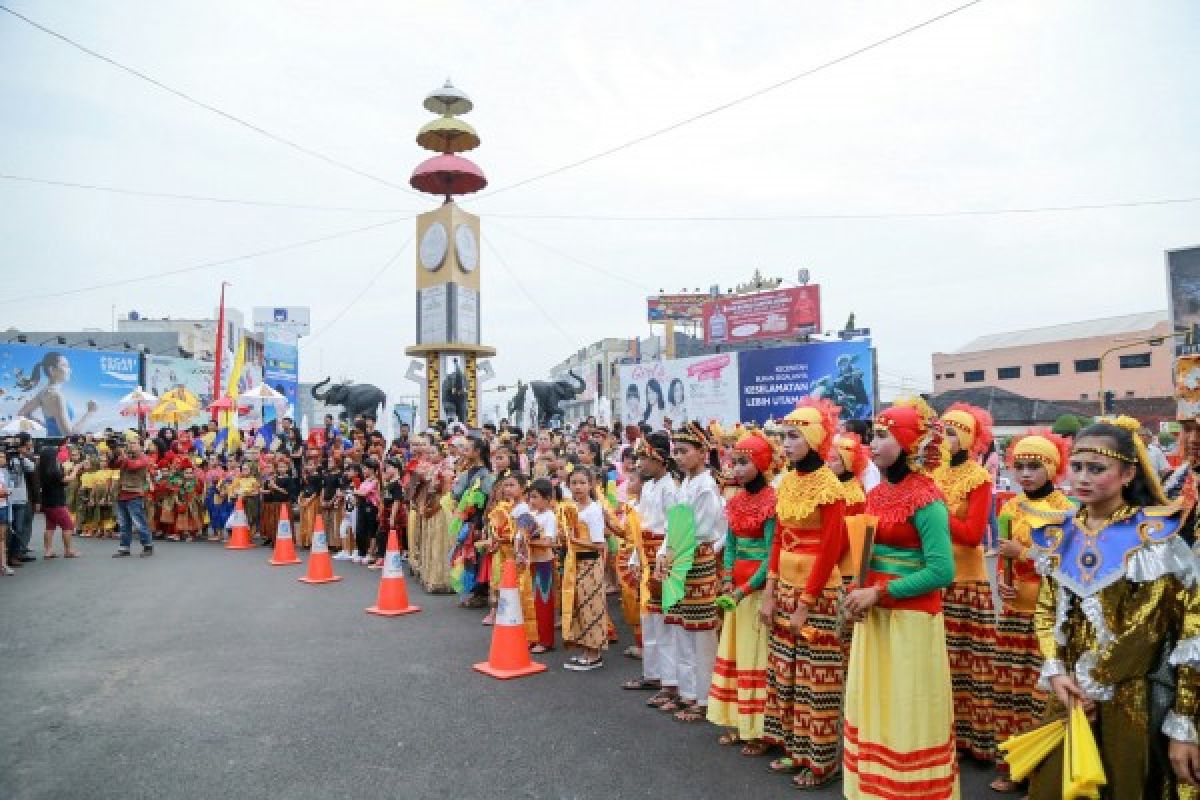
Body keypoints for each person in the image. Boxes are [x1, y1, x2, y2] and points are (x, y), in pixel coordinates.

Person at [1026, 417, 1198, 799]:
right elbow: (1047, 610)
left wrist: (1183, 719)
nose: (1082, 478)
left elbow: (1169, 630)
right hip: (1068, 694)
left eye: (1097, 469)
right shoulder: (1059, 535)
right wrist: (1055, 671)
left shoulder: (1155, 541)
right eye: (1077, 466)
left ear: (1127, 474)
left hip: (1130, 702)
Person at [842, 398, 958, 799]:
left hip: (911, 620)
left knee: (908, 707)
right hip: (876, 617)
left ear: (908, 442)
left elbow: (942, 571)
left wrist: (880, 591)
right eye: (871, 435)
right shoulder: (875, 495)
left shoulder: (927, 498)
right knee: (876, 703)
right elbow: (867, 555)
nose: (870, 444)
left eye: (881, 435)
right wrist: (855, 589)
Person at [761, 399, 847, 788]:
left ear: (813, 439)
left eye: (793, 436)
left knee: (818, 681)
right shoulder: (787, 480)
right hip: (785, 590)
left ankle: (821, 762)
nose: (786, 443)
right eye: (783, 436)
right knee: (786, 673)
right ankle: (793, 749)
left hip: (819, 595)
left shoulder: (830, 486)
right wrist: (770, 591)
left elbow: (831, 549)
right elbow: (779, 538)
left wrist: (806, 604)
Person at [989, 429, 1074, 794]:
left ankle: (1043, 768)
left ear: (1052, 469)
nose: (1025, 473)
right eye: (1019, 465)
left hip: (1047, 616)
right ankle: (1012, 764)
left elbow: (1066, 567)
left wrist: (1021, 554)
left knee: (1039, 694)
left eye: (1034, 466)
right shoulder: (1010, 507)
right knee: (1010, 691)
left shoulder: (1066, 512)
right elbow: (1002, 556)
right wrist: (1002, 579)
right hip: (1014, 610)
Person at [933, 402, 998, 763]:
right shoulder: (933, 474)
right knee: (942, 663)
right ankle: (945, 736)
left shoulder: (978, 477)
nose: (944, 438)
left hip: (967, 583)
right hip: (935, 579)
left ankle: (978, 742)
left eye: (952, 431)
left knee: (971, 665)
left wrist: (936, 513)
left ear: (969, 438)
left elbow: (973, 534)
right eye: (941, 430)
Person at [707, 429, 776, 756]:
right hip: (737, 591)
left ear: (761, 463)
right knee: (734, 654)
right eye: (734, 462)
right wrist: (727, 579)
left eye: (744, 462)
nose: (736, 468)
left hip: (758, 593)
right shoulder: (735, 502)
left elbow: (771, 554)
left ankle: (759, 729)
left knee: (755, 657)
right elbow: (732, 545)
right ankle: (737, 721)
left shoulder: (772, 503)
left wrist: (746, 588)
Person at [656, 421, 723, 723]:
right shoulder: (685, 484)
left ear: (702, 453)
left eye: (684, 451)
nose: (679, 457)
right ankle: (687, 693)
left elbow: (704, 531)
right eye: (676, 452)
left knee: (701, 637)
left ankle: (704, 698)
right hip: (678, 562)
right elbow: (673, 527)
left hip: (696, 563)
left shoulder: (706, 486)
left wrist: (672, 555)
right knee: (681, 631)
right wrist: (663, 555)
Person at [635, 432, 681, 702]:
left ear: (661, 460)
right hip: (645, 553)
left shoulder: (669, 488)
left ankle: (670, 682)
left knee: (665, 622)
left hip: (662, 556)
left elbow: (673, 529)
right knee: (649, 619)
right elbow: (641, 523)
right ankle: (652, 674)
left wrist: (662, 562)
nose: (640, 464)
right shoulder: (650, 486)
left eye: (645, 458)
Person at [561, 468, 609, 671]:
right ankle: (586, 651)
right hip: (576, 563)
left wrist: (573, 540)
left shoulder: (594, 510)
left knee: (593, 608)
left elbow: (599, 544)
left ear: (590, 485)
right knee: (580, 607)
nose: (578, 487)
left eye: (582, 483)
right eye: (574, 483)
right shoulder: (573, 509)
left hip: (590, 563)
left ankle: (594, 654)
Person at [15, 351, 99, 436]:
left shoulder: (44, 393)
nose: (69, 370)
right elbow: (70, 435)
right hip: (60, 447)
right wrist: (90, 412)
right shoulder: (56, 396)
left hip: (51, 444)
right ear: (52, 370)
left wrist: (47, 425)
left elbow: (22, 413)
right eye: (65, 366)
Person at [526, 478, 559, 652]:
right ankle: (533, 637)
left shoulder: (550, 517)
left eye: (535, 497)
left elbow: (548, 542)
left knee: (543, 602)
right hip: (531, 562)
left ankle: (545, 640)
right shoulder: (532, 515)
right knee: (531, 601)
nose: (532, 501)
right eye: (530, 497)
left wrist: (529, 541)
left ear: (547, 499)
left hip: (544, 562)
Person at [111, 438, 155, 557]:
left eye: (134, 443)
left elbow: (132, 466)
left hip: (135, 494)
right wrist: (115, 452)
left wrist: (123, 455)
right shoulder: (126, 456)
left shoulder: (144, 458)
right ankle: (124, 547)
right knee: (124, 523)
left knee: (139, 522)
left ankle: (148, 546)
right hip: (121, 493)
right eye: (130, 443)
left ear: (141, 446)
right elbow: (113, 465)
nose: (131, 445)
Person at [38, 445, 79, 558]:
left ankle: (48, 550)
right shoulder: (53, 471)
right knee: (68, 525)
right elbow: (67, 479)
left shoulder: (42, 469)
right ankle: (68, 550)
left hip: (47, 501)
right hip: (56, 502)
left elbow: (61, 481)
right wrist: (75, 470)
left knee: (50, 527)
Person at [0, 450, 12, 575]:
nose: (3, 459)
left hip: (3, 506)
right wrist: (5, 492)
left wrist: (7, 492)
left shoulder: (3, 472)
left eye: (4, 456)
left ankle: (3, 565)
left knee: (2, 537)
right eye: (1, 457)